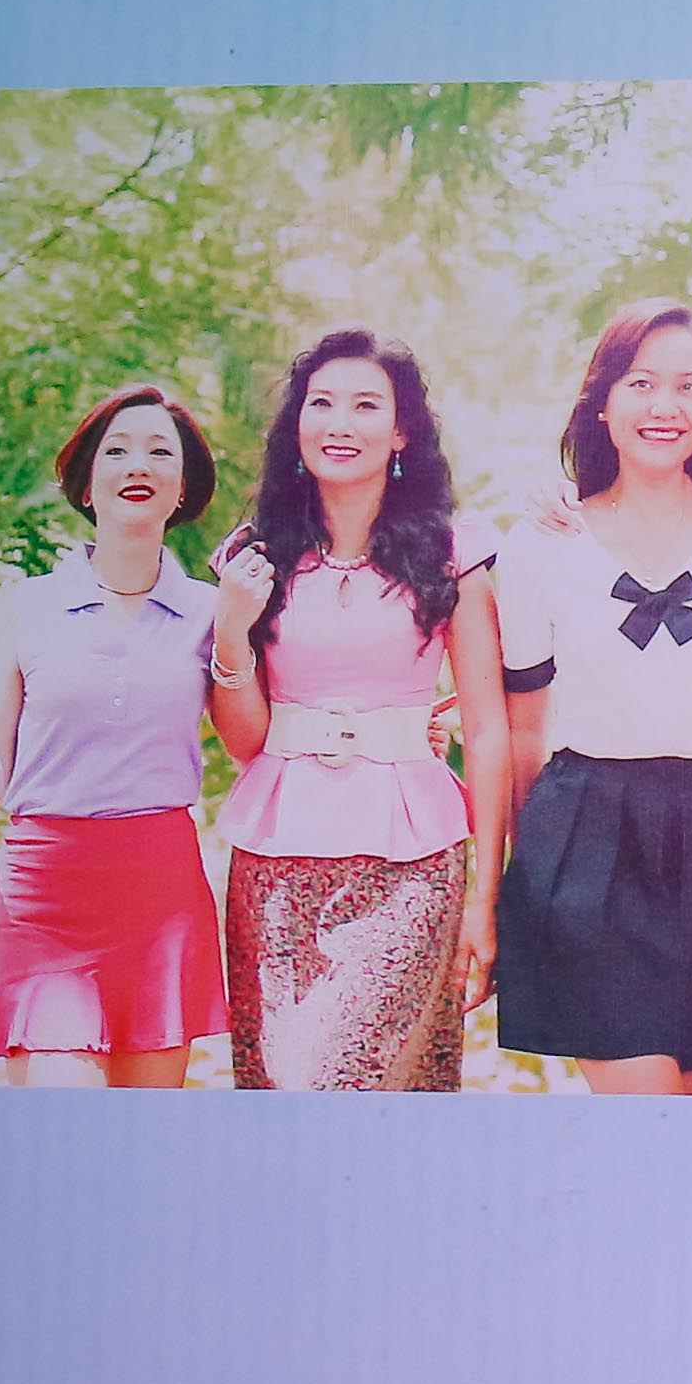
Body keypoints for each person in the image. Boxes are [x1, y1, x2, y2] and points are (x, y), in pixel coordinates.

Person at [494, 302, 692, 1094]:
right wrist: (535, 874)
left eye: (689, 387)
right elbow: (521, 731)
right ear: (602, 401)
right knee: (643, 1115)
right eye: (641, 383)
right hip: (591, 833)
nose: (666, 406)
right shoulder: (542, 540)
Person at [205, 330, 507, 1092]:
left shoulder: (453, 554)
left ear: (402, 432)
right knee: (280, 1091)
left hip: (411, 866)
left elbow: (487, 732)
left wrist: (487, 901)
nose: (340, 424)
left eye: (366, 406)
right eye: (322, 404)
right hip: (275, 869)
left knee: (347, 1081)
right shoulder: (254, 557)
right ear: (297, 423)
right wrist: (231, 630)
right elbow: (245, 741)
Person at [0, 384, 229, 1085]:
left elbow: (257, 734)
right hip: (48, 901)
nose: (137, 465)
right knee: (62, 1122)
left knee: (140, 1139)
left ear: (184, 488)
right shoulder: (28, 606)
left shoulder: (211, 613)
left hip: (160, 895)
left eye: (160, 452)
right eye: (116, 451)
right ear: (87, 485)